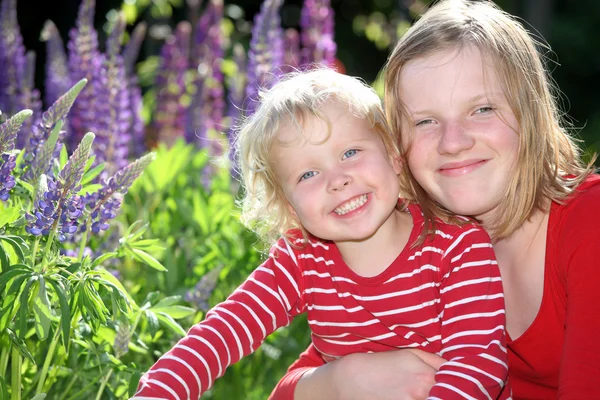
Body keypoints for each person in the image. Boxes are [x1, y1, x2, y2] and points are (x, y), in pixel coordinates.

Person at [269, 0, 600, 399]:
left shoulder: (588, 223)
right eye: (425, 121)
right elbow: (293, 386)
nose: (453, 143)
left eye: (482, 109)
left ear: (529, 112)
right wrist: (339, 381)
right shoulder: (420, 242)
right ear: (396, 145)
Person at [132, 68, 512, 400]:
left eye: (350, 153)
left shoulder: (456, 246)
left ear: (394, 155)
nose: (337, 180)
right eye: (308, 174)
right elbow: (221, 332)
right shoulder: (302, 258)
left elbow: (478, 364)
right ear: (288, 203)